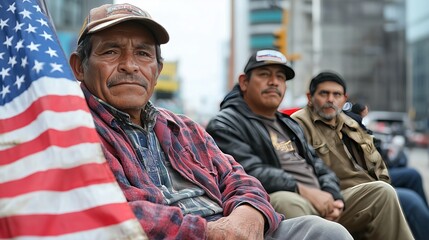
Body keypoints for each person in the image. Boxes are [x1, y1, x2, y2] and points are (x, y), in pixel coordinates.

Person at [68, 3, 353, 240]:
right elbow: (113, 211)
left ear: (157, 70)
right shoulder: (71, 129)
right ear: (80, 67)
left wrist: (248, 212)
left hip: (233, 228)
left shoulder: (183, 127)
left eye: (143, 53)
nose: (129, 65)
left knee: (325, 233)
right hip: (190, 234)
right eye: (111, 51)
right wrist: (208, 231)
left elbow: (240, 178)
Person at [206, 49, 413, 240]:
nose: (274, 82)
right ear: (244, 82)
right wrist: (303, 190)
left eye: (280, 77)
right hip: (283, 201)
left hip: (321, 198)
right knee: (286, 200)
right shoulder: (226, 124)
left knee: (381, 192)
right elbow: (248, 172)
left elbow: (320, 167)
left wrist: (333, 197)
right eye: (264, 75)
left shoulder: (288, 124)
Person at [291, 71, 429, 240]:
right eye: (324, 93)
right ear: (310, 97)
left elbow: (377, 161)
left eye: (337, 94)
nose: (330, 99)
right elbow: (300, 172)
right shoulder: (298, 124)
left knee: (406, 180)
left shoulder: (349, 123)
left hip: (368, 187)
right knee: (407, 200)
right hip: (338, 195)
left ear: (344, 98)